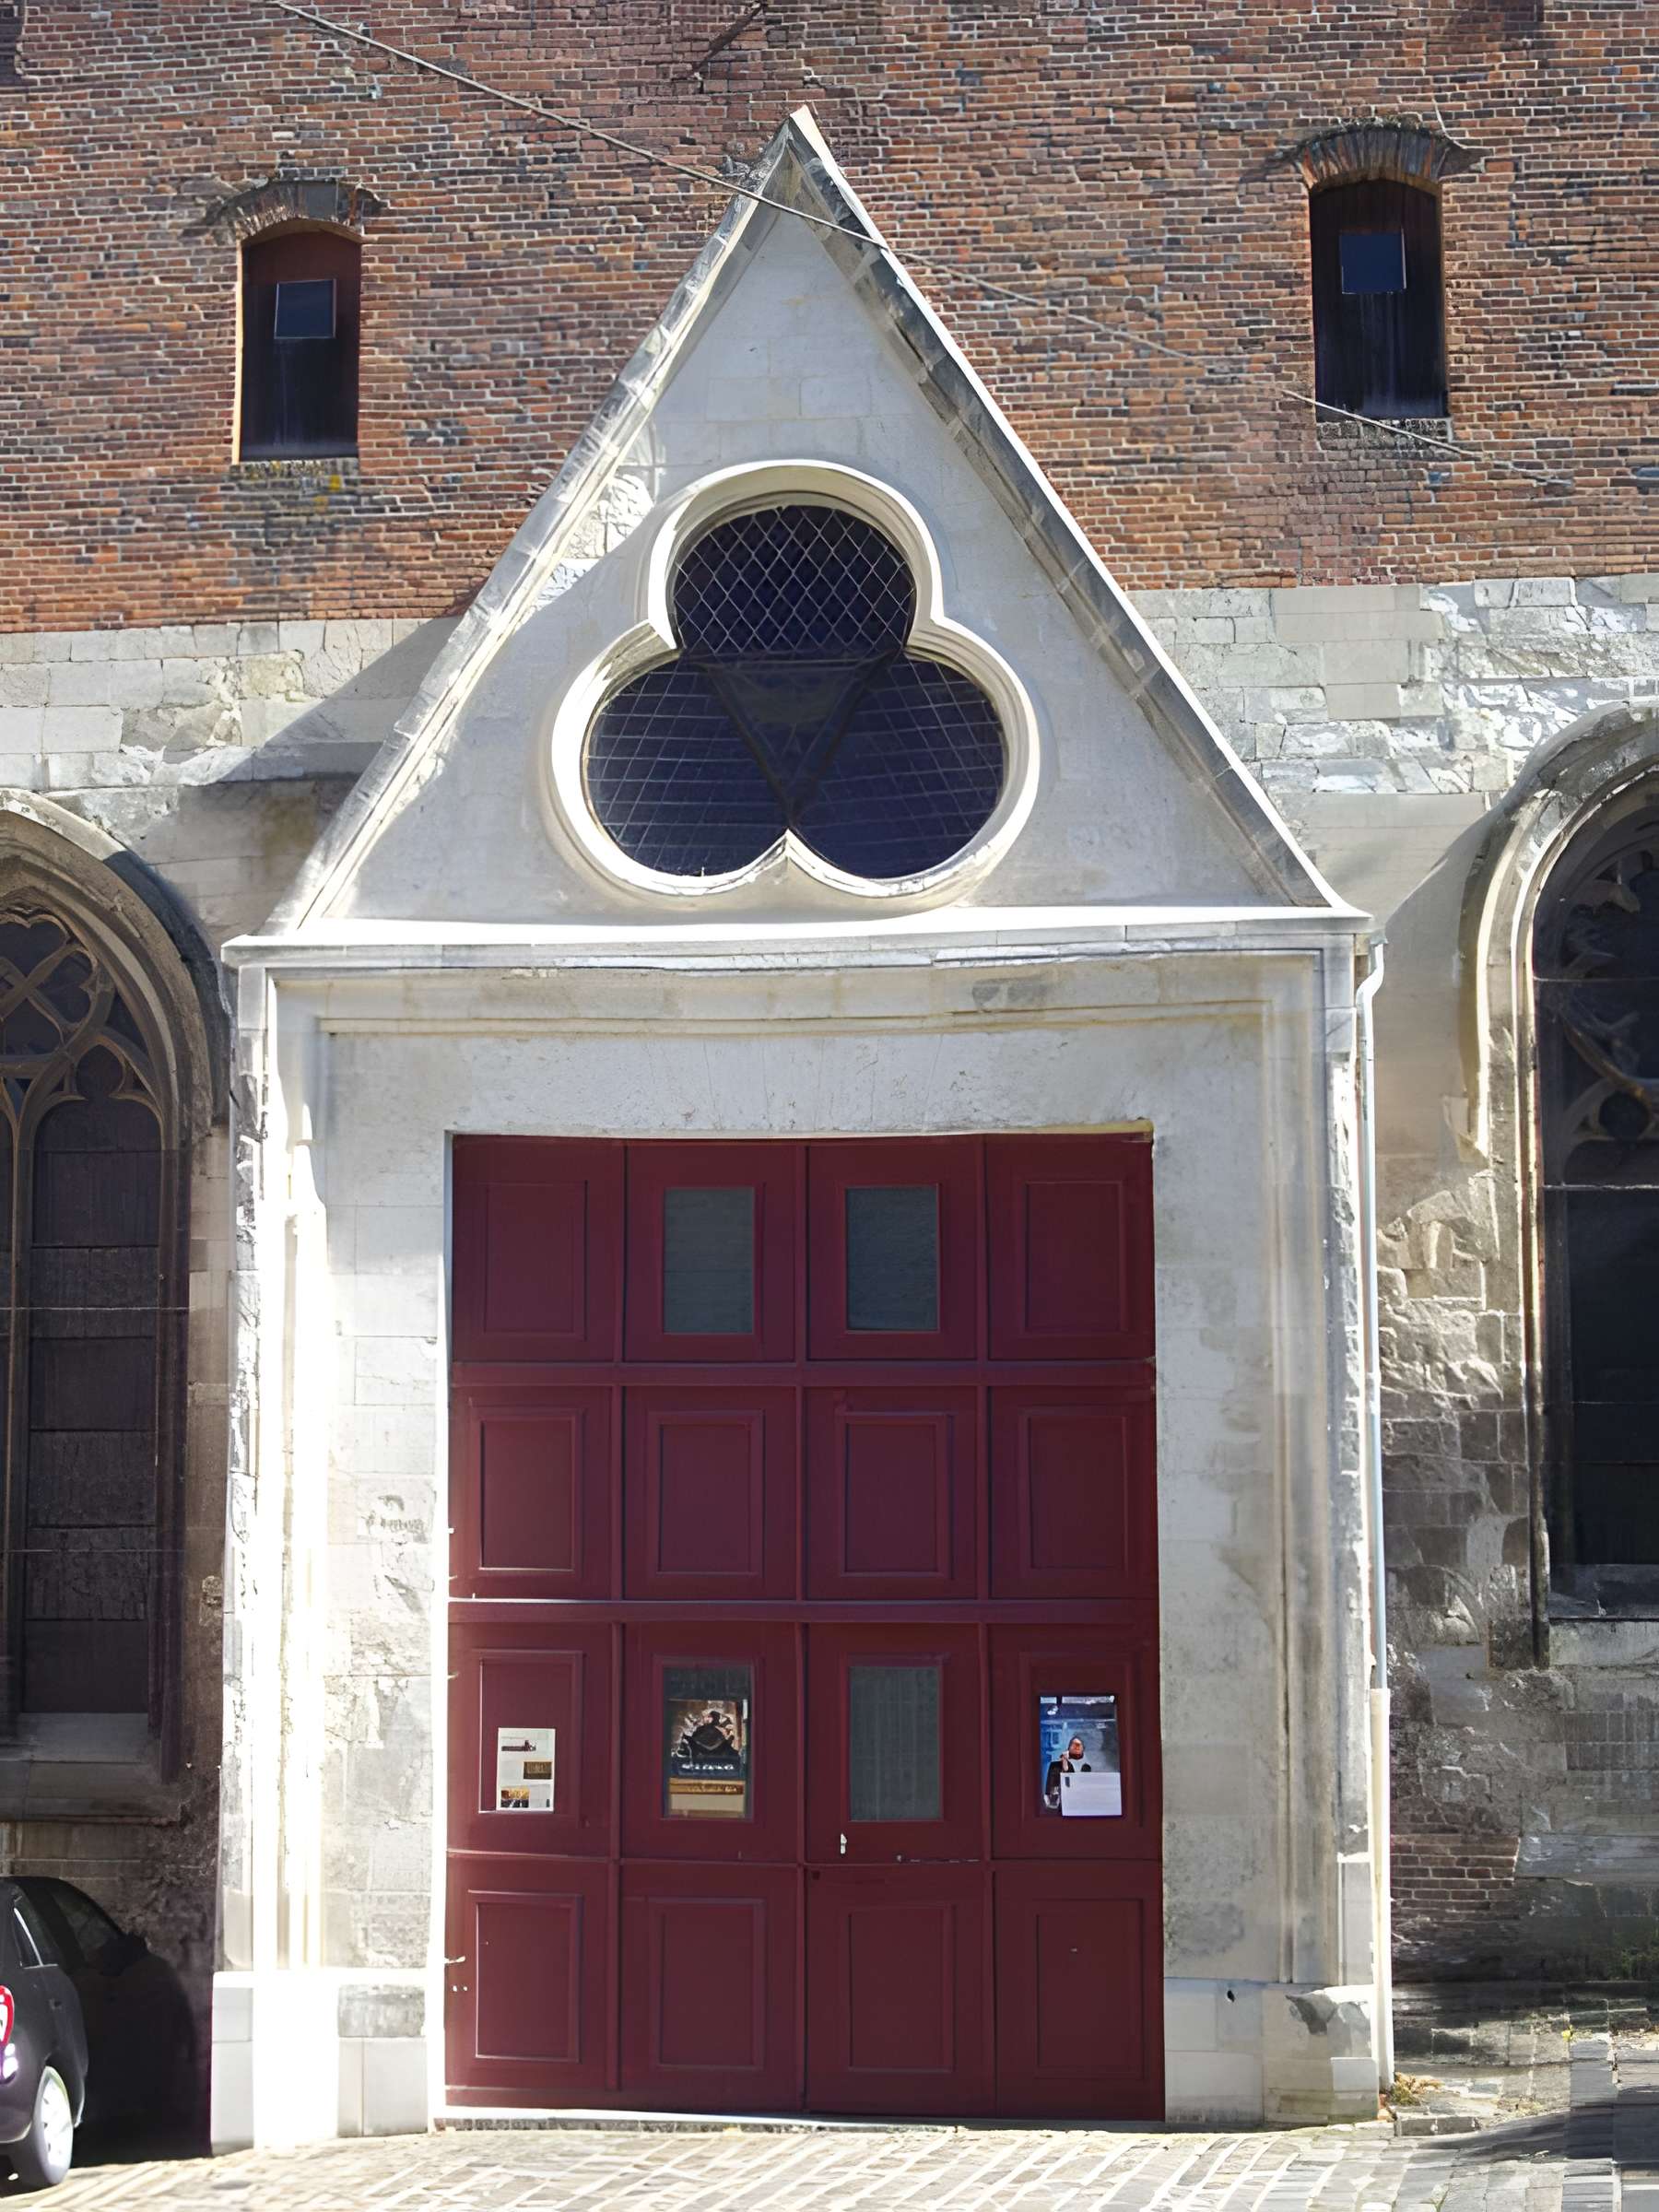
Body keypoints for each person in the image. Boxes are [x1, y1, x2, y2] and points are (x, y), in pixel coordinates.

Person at [1043, 1734, 1091, 1809]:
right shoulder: (1055, 1765)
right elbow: (1051, 1786)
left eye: (1079, 1745)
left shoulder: (1086, 1766)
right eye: (1074, 1744)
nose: (1076, 1746)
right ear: (1069, 1748)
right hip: (1059, 1802)